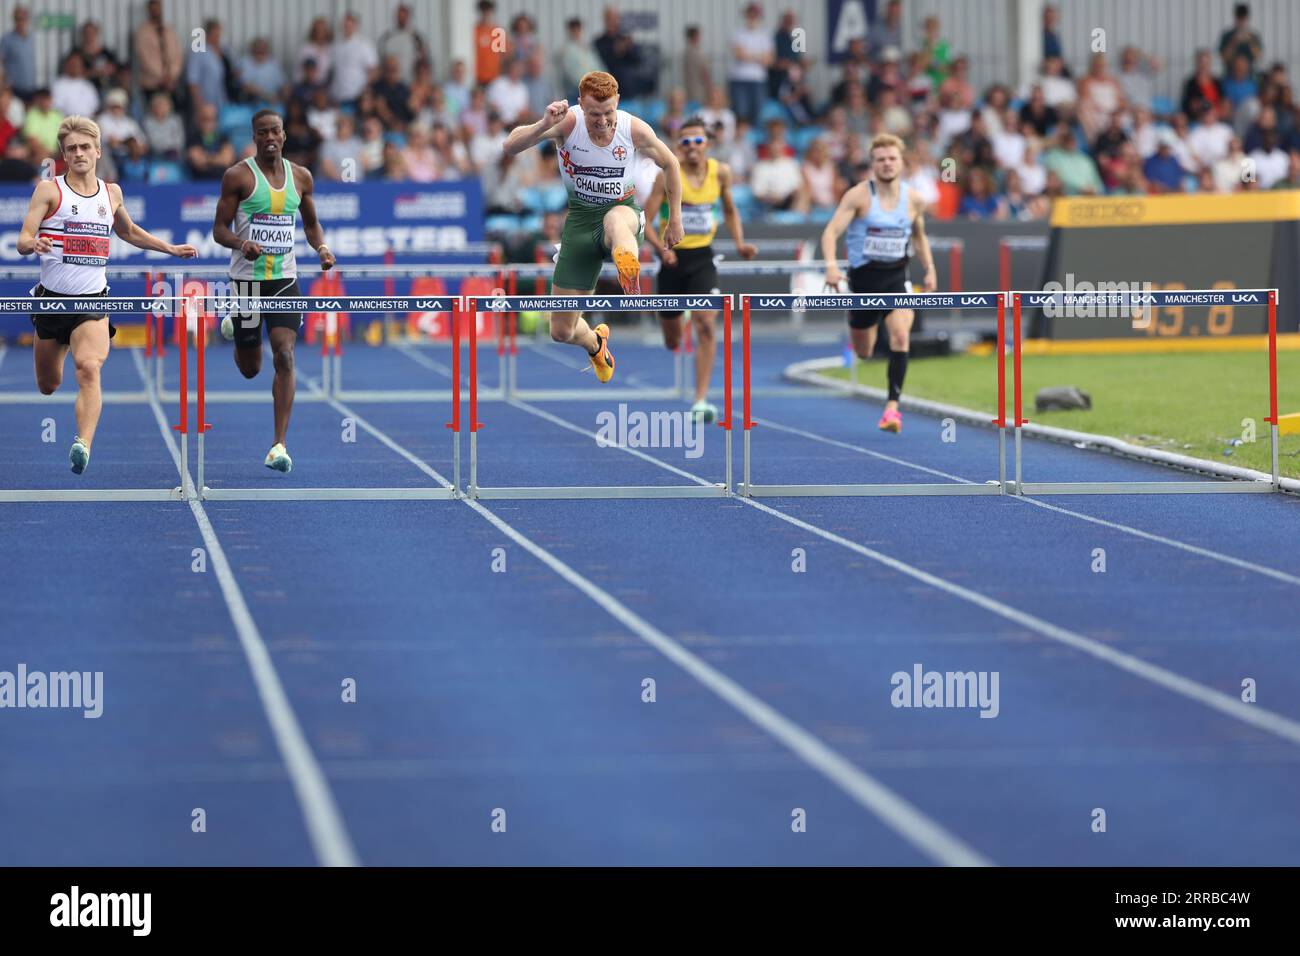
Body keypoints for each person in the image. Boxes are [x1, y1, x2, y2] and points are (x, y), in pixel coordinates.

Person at [16, 116, 196, 473]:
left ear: (98, 151)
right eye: (71, 149)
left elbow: (129, 232)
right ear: (63, 154)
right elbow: (22, 238)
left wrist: (170, 249)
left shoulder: (110, 192)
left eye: (85, 147)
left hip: (93, 303)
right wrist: (32, 244)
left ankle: (83, 442)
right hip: (52, 301)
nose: (79, 153)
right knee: (48, 385)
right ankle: (60, 344)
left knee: (89, 368)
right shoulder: (49, 190)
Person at [501, 70, 684, 383]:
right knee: (561, 331)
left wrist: (675, 219)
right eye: (594, 114)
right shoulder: (567, 124)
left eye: (608, 112)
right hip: (580, 222)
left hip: (623, 212)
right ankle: (596, 344)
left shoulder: (633, 129)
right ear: (580, 106)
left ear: (618, 103)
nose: (602, 121)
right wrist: (544, 124)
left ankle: (628, 265)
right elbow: (510, 146)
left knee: (615, 220)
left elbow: (671, 163)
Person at [214, 109, 335, 474]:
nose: (269, 137)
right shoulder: (237, 176)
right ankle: (237, 325)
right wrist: (239, 242)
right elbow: (218, 229)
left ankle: (278, 445)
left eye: (275, 131)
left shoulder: (301, 177)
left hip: (285, 279)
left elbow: (311, 224)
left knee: (284, 356)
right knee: (251, 368)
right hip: (248, 282)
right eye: (262, 132)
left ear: (284, 136)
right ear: (254, 137)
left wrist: (322, 248)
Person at [820, 133, 937, 434]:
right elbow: (831, 233)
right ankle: (856, 326)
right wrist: (832, 266)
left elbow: (919, 236)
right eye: (881, 159)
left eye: (892, 158)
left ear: (902, 162)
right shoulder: (858, 195)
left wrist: (930, 268)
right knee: (865, 352)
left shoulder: (914, 199)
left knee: (900, 337)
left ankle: (892, 409)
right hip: (863, 283)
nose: (887, 164)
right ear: (872, 164)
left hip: (897, 279)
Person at [643, 117, 756, 423]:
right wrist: (660, 249)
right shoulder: (667, 174)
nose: (691, 147)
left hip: (702, 259)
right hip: (672, 260)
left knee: (706, 325)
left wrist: (741, 244)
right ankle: (678, 327)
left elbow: (730, 211)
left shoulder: (720, 173)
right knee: (673, 340)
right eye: (685, 141)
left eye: (697, 141)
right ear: (677, 145)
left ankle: (700, 399)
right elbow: (646, 222)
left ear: (708, 144)